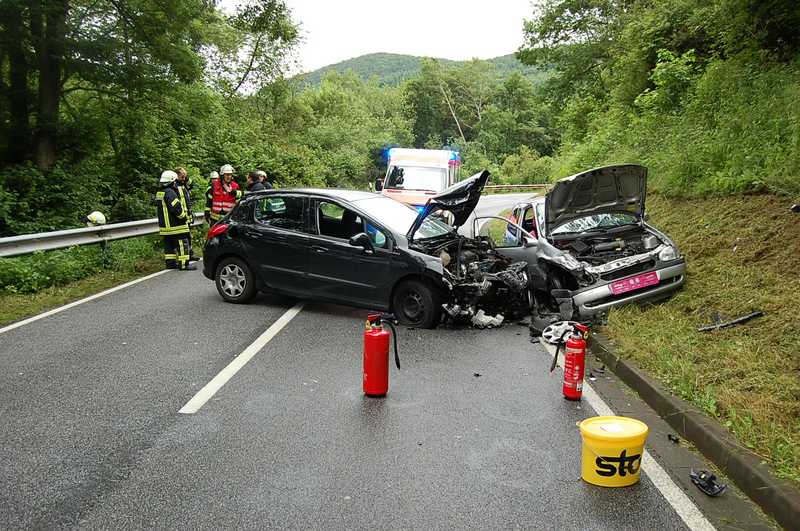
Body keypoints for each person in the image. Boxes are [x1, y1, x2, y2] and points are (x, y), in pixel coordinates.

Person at [156, 170, 195, 271]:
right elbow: (177, 208)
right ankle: (183, 264)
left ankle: (171, 264)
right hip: (176, 226)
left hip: (165, 227)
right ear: (172, 181)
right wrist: (184, 217)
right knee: (182, 243)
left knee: (169, 245)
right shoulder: (170, 192)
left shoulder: (160, 193)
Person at [175, 167, 199, 261]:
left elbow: (192, 184)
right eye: (182, 177)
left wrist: (186, 177)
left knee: (188, 236)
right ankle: (185, 255)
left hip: (187, 215)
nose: (184, 179)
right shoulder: (175, 185)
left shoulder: (184, 184)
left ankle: (190, 253)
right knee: (183, 237)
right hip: (181, 215)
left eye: (185, 177)